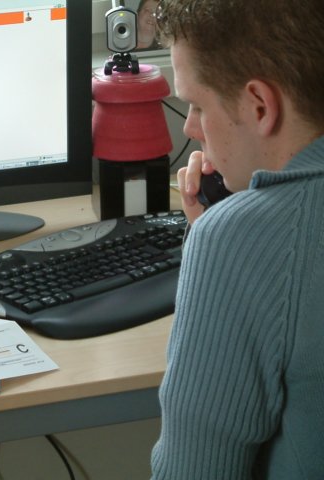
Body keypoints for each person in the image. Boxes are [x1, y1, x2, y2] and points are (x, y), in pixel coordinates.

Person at [150, 1, 324, 479]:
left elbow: (193, 472)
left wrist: (226, 234)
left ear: (259, 106)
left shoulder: (235, 240)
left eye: (198, 105)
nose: (189, 129)